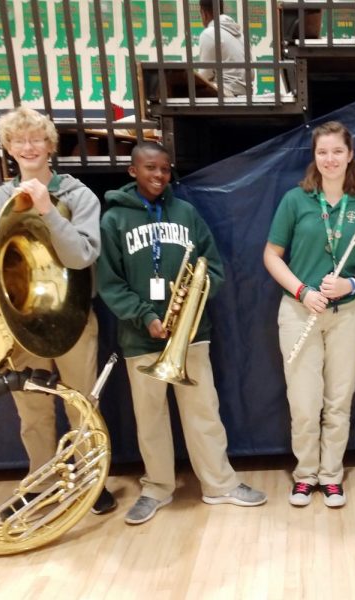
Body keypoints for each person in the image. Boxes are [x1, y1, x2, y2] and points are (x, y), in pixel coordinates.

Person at [0, 106, 116, 516]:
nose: (28, 147)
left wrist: (46, 210)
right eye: (19, 140)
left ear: (50, 145)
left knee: (81, 403)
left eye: (36, 139)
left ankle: (90, 480)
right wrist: (10, 209)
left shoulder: (76, 194)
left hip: (74, 316)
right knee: (33, 409)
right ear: (9, 147)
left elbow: (81, 255)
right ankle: (42, 482)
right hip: (22, 320)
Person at [98, 142, 267, 525]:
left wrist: (189, 309)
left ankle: (219, 484)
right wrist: (145, 317)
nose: (158, 176)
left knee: (203, 412)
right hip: (141, 337)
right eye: (150, 168)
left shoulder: (186, 213)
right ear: (132, 171)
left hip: (190, 335)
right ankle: (156, 488)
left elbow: (213, 268)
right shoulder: (114, 221)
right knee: (150, 419)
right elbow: (109, 284)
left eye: (164, 169)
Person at [263, 121, 355, 508]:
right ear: (314, 157)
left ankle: (331, 476)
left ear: (350, 154)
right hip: (299, 312)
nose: (329, 159)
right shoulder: (295, 200)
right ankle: (305, 475)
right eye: (322, 152)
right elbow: (271, 256)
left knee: (338, 400)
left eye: (337, 151)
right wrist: (302, 290)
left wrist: (351, 285)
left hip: (348, 315)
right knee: (303, 401)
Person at [197, 0, 249, 97]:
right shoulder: (240, 34)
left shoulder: (209, 33)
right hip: (245, 95)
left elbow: (204, 76)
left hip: (224, 95)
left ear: (203, 13)